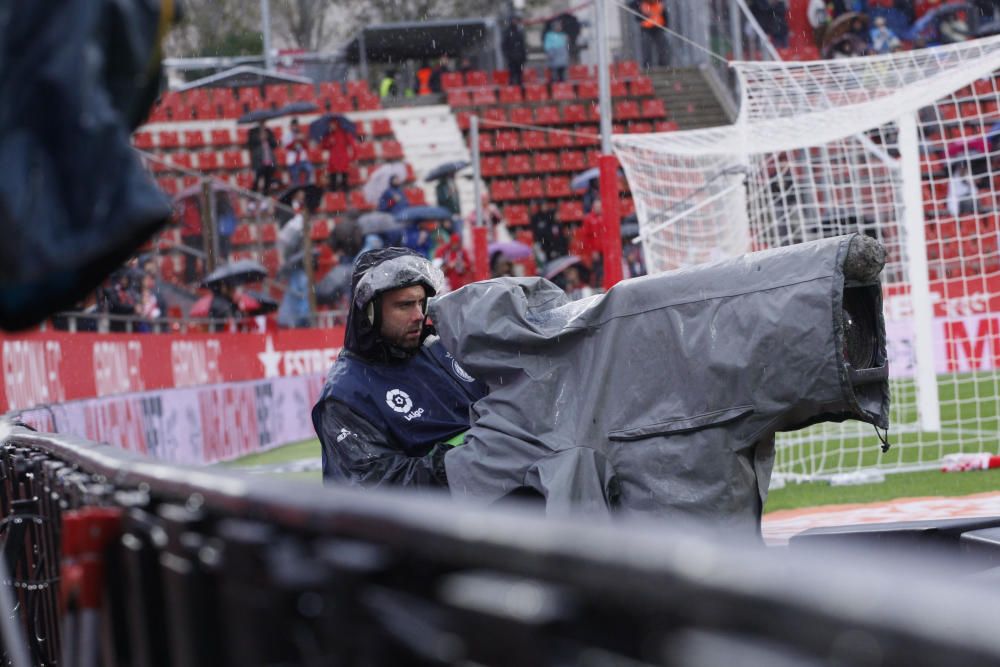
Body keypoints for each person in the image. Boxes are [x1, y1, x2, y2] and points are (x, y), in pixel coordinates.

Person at [312, 248, 488, 487]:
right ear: (370, 313)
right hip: (444, 520)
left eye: (420, 303)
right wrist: (471, 460)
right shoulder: (345, 395)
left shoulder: (442, 347)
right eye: (404, 305)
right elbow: (377, 486)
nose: (418, 315)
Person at [321, 118, 356, 193]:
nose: (331, 126)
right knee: (333, 179)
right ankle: (334, 197)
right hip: (333, 159)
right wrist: (329, 143)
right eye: (330, 125)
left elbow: (352, 144)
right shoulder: (328, 135)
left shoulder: (344, 133)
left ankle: (346, 197)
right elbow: (323, 146)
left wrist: (353, 158)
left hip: (343, 158)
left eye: (333, 124)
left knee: (344, 178)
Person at [636, 0, 670, 68]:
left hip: (658, 27)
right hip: (646, 28)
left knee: (662, 48)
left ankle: (663, 66)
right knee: (647, 48)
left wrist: (665, 26)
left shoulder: (660, 4)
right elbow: (638, 17)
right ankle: (647, 66)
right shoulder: (642, 5)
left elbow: (665, 15)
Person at [248, 121, 278, 194]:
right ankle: (253, 194)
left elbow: (275, 144)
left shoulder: (269, 132)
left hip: (269, 162)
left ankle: (265, 193)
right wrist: (260, 138)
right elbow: (250, 144)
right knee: (257, 180)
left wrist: (268, 137)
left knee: (267, 181)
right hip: (259, 163)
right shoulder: (253, 132)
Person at [284, 118, 314, 186]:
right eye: (294, 126)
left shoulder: (301, 134)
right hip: (292, 161)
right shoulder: (287, 135)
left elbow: (306, 147)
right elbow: (287, 147)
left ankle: (306, 186)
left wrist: (303, 140)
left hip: (302, 159)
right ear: (291, 126)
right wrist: (295, 140)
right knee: (295, 175)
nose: (295, 127)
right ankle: (296, 188)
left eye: (296, 126)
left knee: (309, 169)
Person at [502, 15, 528, 87]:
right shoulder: (507, 32)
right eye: (514, 20)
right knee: (512, 74)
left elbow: (522, 45)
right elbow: (504, 45)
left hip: (519, 57)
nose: (515, 22)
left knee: (520, 74)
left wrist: (524, 55)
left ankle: (520, 90)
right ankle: (512, 90)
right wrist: (508, 55)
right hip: (512, 57)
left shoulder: (519, 31)